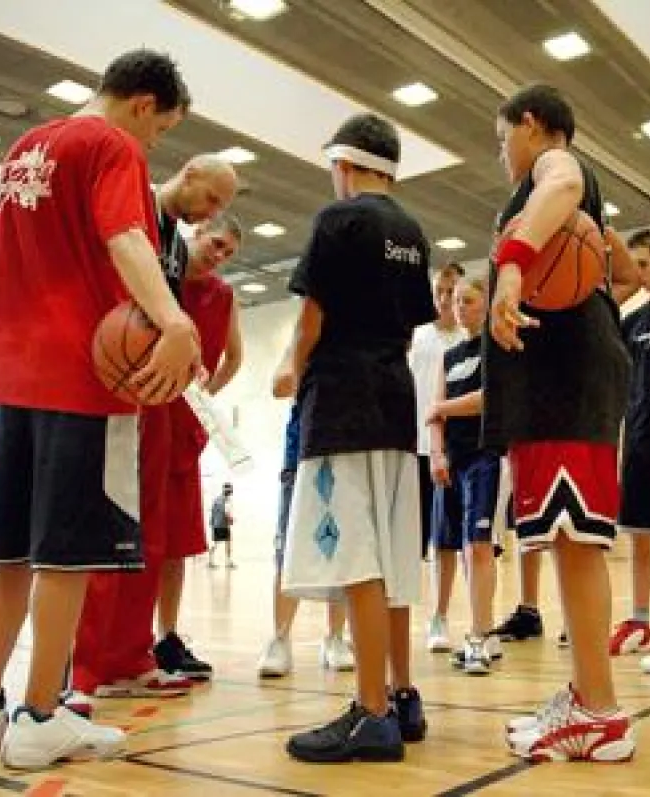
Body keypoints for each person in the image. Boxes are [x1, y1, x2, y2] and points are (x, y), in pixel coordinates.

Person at [0, 49, 199, 770]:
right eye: (162, 130)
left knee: (12, 555)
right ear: (144, 104)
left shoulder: (26, 147)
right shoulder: (111, 143)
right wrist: (174, 321)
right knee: (65, 558)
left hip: (5, 369)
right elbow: (125, 236)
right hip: (77, 372)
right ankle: (39, 716)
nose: (154, 145)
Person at [273, 112, 436, 764]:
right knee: (391, 560)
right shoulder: (413, 232)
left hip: (340, 402)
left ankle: (370, 713)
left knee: (359, 558)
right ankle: (402, 695)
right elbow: (410, 330)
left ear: (344, 164)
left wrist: (290, 367)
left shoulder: (337, 221)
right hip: (395, 403)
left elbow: (312, 314)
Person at [485, 84, 640, 763]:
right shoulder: (561, 207)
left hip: (566, 379)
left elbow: (566, 177)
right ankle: (585, 695)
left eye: (501, 139)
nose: (502, 154)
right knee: (564, 537)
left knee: (576, 541)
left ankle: (601, 713)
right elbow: (626, 271)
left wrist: (516, 269)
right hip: (561, 377)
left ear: (530, 125)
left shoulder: (556, 166)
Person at [70, 165, 238, 706]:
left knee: (151, 535)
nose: (211, 212)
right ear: (186, 175)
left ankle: (131, 656)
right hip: (114, 389)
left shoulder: (173, 244)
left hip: (156, 397)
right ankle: (88, 668)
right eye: (209, 199)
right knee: (109, 528)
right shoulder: (133, 209)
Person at [154, 215, 246, 680]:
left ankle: (165, 636)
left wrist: (206, 400)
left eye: (229, 252)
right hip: (144, 411)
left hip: (186, 420)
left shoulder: (224, 296)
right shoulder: (158, 275)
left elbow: (236, 356)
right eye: (216, 243)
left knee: (178, 540)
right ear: (195, 231)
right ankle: (117, 637)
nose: (219, 255)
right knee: (135, 537)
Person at [603, 229, 650, 657]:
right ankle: (641, 620)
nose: (640, 276)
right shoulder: (632, 323)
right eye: (634, 269)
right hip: (637, 440)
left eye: (645, 266)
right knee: (638, 536)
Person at [427, 277, 504, 674]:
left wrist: (441, 408)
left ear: (486, 302)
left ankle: (478, 635)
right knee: (448, 547)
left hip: (484, 457)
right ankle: (480, 630)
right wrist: (437, 452)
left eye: (468, 300)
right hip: (451, 462)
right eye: (455, 301)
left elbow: (486, 400)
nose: (459, 307)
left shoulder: (497, 346)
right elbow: (435, 412)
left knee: (478, 547)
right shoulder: (448, 354)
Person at [256, 401, 355, 677]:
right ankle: (280, 637)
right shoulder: (300, 357)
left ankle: (335, 636)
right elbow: (280, 383)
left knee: (340, 548)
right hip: (300, 454)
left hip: (346, 450)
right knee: (286, 549)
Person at [409, 263, 465, 652]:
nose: (445, 299)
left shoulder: (465, 341)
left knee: (445, 540)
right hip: (413, 449)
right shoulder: (416, 336)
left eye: (452, 292)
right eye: (440, 291)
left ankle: (439, 616)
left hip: (451, 453)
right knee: (407, 540)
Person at [208, 484, 235, 569]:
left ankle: (227, 562)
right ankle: (212, 562)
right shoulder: (225, 500)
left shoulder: (216, 499)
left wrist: (212, 523)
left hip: (217, 525)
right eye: (229, 490)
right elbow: (226, 512)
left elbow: (213, 511)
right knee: (219, 543)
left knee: (226, 542)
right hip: (222, 525)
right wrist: (231, 520)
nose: (230, 491)